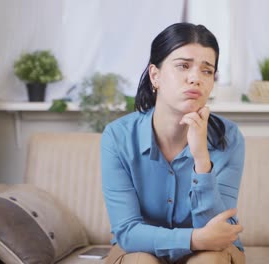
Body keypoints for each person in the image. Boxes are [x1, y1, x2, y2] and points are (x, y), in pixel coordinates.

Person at [101, 22, 245, 264]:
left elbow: (218, 230)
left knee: (207, 261)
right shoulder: (118, 137)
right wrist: (194, 239)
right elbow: (127, 231)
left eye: (206, 71)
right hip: (140, 248)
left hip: (211, 252)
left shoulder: (229, 138)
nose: (195, 78)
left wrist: (201, 161)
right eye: (183, 66)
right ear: (155, 75)